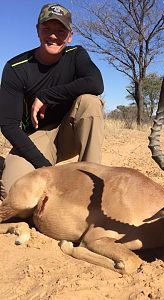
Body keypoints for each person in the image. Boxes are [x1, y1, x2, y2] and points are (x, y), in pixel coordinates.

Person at [0, 3, 105, 200]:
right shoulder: (16, 67)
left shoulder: (76, 54)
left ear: (70, 35)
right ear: (37, 31)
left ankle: (89, 189)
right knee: (13, 193)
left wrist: (46, 95)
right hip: (36, 138)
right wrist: (44, 166)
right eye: (47, 29)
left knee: (90, 101)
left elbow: (96, 83)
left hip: (69, 132)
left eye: (60, 31)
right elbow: (8, 125)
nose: (53, 36)